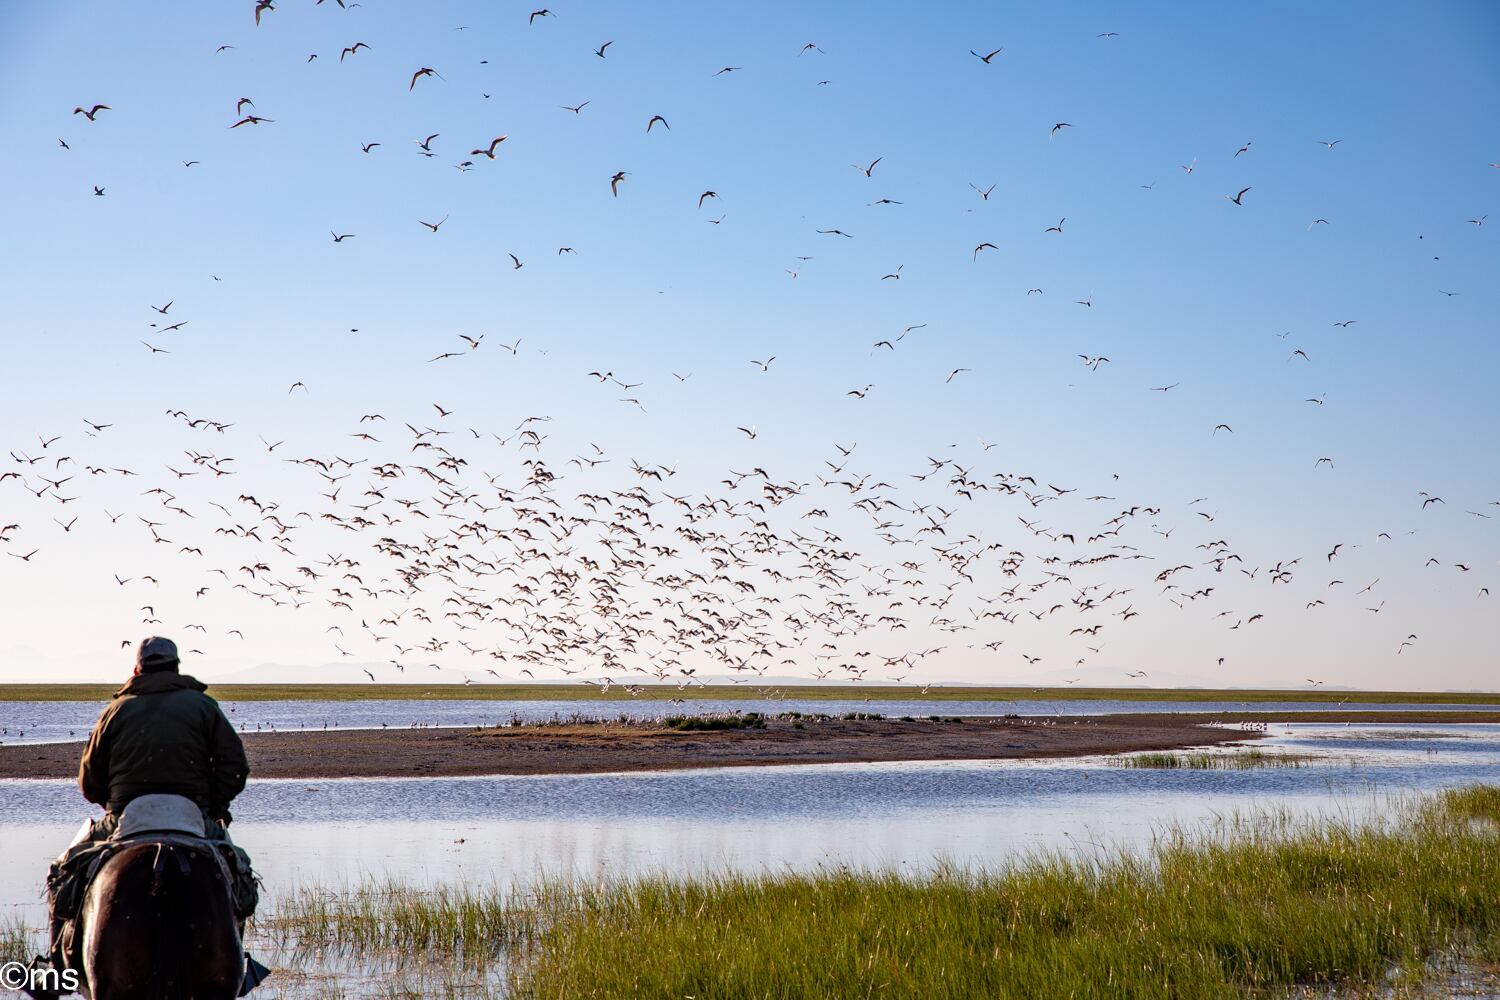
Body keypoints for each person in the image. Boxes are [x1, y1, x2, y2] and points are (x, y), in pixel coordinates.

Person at [33, 637, 261, 990]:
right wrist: (214, 808)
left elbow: (89, 781)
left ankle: (54, 971)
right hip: (192, 817)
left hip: (127, 816)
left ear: (137, 669)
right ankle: (238, 966)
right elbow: (235, 768)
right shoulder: (203, 706)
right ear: (176, 666)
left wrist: (114, 802)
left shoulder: (115, 711)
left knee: (62, 874)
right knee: (238, 874)